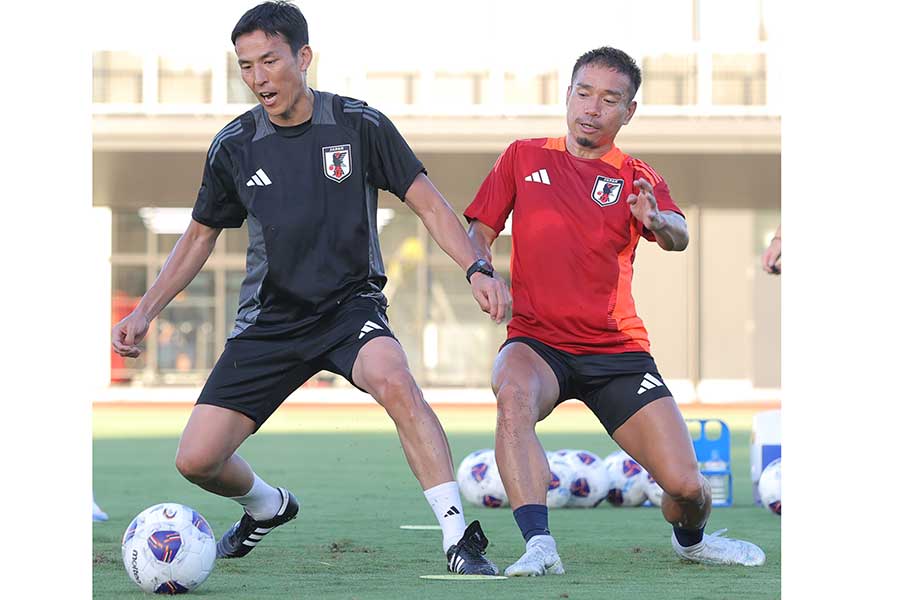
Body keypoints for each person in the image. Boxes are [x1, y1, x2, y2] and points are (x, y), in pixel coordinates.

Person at [111, 1, 510, 576]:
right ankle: (268, 505)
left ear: (303, 58)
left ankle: (457, 537)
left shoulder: (359, 124)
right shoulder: (234, 146)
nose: (257, 78)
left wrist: (477, 267)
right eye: (245, 66)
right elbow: (198, 238)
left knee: (395, 380)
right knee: (196, 460)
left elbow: (427, 202)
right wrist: (146, 311)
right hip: (270, 322)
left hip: (351, 309)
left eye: (268, 61)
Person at [464, 46, 766, 576]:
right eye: (583, 93)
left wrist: (658, 219)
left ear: (628, 111)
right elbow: (480, 229)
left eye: (609, 99)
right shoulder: (522, 156)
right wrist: (481, 270)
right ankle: (539, 546)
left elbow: (679, 235)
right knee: (511, 394)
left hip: (617, 351)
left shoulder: (637, 177)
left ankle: (691, 542)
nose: (591, 107)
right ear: (568, 94)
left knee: (688, 487)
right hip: (537, 343)